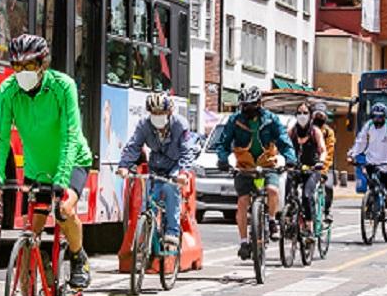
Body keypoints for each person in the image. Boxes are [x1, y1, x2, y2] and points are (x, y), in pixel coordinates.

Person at [0, 34, 94, 296]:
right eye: (17, 66)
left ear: (43, 64)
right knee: (29, 235)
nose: (22, 72)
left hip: (73, 161)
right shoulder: (8, 90)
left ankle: (78, 257)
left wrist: (62, 178)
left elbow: (70, 134)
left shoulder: (63, 86)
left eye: (29, 66)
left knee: (64, 209)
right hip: (36, 169)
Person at [215, 86, 297, 260]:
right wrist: (222, 159)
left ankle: (272, 221)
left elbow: (283, 140)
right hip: (245, 166)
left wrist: (290, 158)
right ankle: (244, 242)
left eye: (251, 105)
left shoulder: (271, 119)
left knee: (273, 190)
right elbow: (223, 144)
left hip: (267, 164)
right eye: (244, 105)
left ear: (259, 104)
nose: (247, 109)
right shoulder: (235, 120)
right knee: (243, 201)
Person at [116, 92, 196, 247]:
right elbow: (133, 146)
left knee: (170, 188)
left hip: (175, 166)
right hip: (156, 166)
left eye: (161, 113)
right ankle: (146, 234)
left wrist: (183, 173)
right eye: (154, 113)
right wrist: (124, 166)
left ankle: (172, 232)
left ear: (169, 112)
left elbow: (187, 151)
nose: (157, 116)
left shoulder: (180, 125)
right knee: (148, 199)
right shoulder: (144, 125)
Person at [347, 103, 387, 225]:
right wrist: (352, 155)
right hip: (371, 161)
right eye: (375, 117)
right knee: (371, 186)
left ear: (384, 117)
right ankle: (370, 206)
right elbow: (360, 142)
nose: (377, 120)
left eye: (380, 117)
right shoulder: (368, 126)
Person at [287, 102, 326, 237]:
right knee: (288, 193)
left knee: (307, 195)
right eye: (299, 113)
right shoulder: (292, 131)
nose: (302, 115)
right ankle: (289, 221)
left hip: (312, 170)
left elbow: (323, 150)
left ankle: (309, 227)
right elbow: (283, 147)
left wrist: (320, 162)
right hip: (296, 169)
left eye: (305, 113)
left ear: (310, 116)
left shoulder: (315, 131)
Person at [312, 101, 336, 223]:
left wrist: (323, 170)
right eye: (317, 115)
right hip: (309, 163)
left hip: (324, 165)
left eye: (321, 115)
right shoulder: (308, 130)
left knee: (328, 186)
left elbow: (329, 152)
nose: (319, 118)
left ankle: (327, 211)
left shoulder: (328, 132)